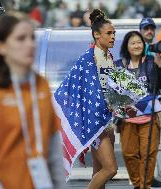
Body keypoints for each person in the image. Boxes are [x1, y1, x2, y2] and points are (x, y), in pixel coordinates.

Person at [0, 12, 66, 189]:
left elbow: (53, 147)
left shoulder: (40, 85)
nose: (30, 44)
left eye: (32, 38)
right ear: (1, 47)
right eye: (20, 39)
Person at [53, 9, 117, 189]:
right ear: (97, 35)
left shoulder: (109, 57)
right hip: (94, 121)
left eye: (114, 33)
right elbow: (77, 88)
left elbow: (108, 89)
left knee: (99, 172)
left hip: (107, 121)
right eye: (109, 33)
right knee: (111, 169)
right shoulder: (88, 59)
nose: (113, 37)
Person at [115, 31, 161, 189]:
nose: (136, 45)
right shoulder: (119, 65)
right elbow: (113, 92)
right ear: (127, 46)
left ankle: (144, 187)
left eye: (139, 42)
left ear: (144, 44)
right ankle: (139, 186)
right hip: (127, 119)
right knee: (129, 154)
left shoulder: (152, 62)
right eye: (132, 43)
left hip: (150, 118)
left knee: (148, 155)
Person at [139, 17, 161, 189]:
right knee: (137, 145)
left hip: (153, 102)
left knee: (152, 143)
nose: (149, 31)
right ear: (140, 30)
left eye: (152, 28)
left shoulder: (157, 51)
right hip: (138, 103)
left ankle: (148, 177)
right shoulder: (134, 49)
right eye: (146, 29)